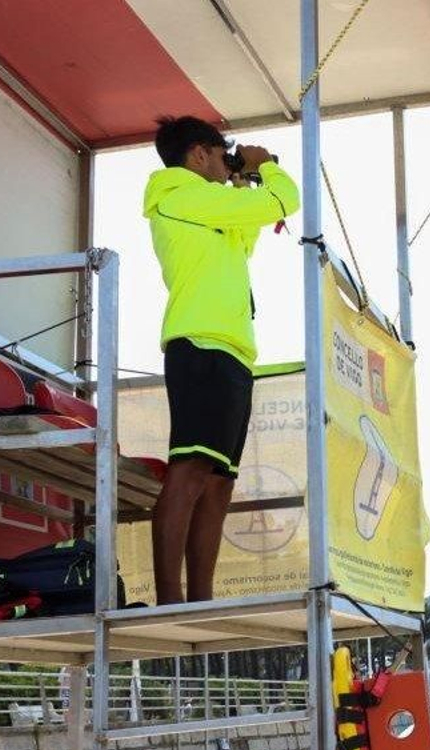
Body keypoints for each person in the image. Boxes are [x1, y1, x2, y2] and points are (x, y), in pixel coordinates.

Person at [144, 116, 299, 605]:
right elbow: (284, 201)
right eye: (221, 153)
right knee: (189, 470)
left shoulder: (210, 204)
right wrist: (267, 167)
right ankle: (170, 598)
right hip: (200, 346)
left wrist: (240, 179)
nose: (227, 161)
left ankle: (201, 599)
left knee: (218, 483)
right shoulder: (176, 194)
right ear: (198, 154)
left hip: (232, 350)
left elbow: (247, 235)